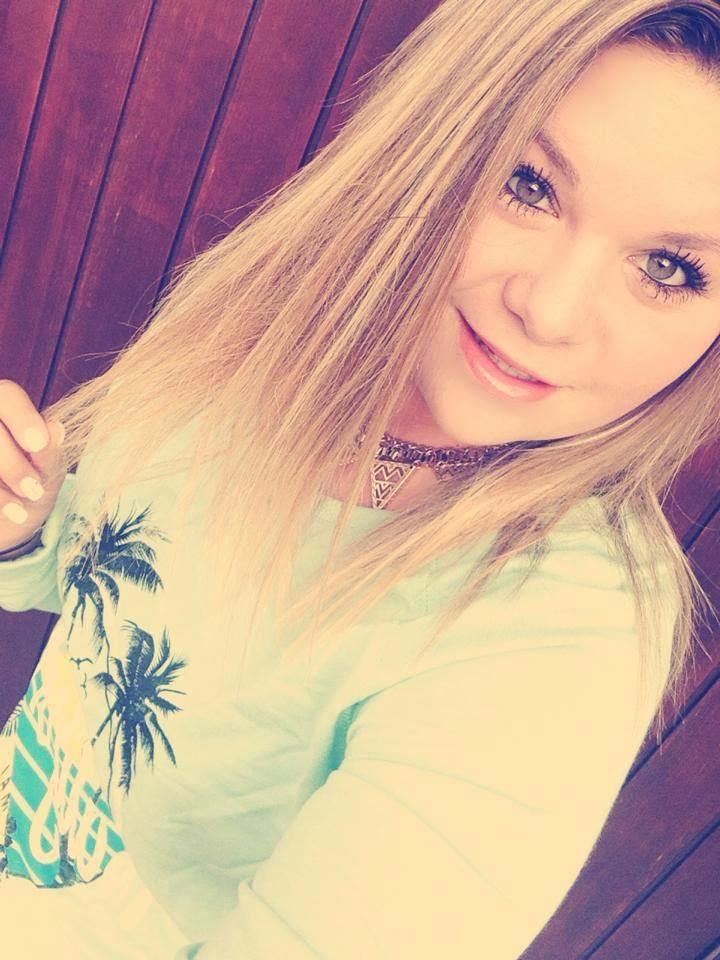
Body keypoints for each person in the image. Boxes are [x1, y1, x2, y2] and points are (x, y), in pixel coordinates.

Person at [0, 0, 718, 956]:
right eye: (528, 183)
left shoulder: (556, 637)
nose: (548, 311)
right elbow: (107, 596)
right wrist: (24, 525)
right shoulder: (256, 338)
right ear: (434, 145)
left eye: (669, 268)